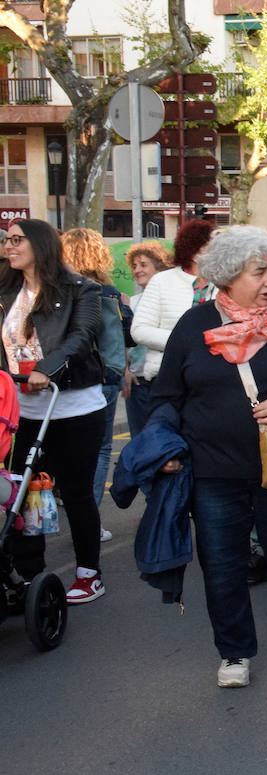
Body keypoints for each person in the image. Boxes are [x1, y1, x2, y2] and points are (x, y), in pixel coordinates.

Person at [149, 225, 267, 688]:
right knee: (222, 563)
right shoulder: (194, 325)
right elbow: (167, 395)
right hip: (212, 471)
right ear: (227, 276)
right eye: (258, 272)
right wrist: (163, 447)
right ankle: (234, 652)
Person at [1, 219, 107, 603]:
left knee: (75, 492)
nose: (9, 246)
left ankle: (88, 573)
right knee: (20, 489)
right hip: (19, 408)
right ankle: (30, 576)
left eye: (17, 240)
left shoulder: (82, 289)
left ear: (40, 245)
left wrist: (47, 369)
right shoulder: (6, 287)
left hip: (74, 406)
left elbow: (81, 337)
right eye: (6, 240)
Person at [61, 228, 131, 538]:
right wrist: (119, 372)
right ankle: (90, 521)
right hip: (102, 377)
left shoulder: (57, 290)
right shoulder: (106, 293)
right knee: (100, 449)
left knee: (64, 449)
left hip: (64, 378)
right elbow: (117, 341)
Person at [131, 218, 216, 416]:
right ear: (195, 250)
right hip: (165, 377)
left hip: (211, 378)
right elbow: (140, 330)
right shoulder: (162, 281)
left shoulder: (225, 282)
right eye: (211, 247)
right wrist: (187, 342)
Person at [123, 241, 171, 438]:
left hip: (161, 377)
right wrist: (125, 370)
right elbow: (123, 341)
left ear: (159, 267)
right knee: (140, 438)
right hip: (136, 379)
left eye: (143, 264)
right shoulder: (132, 301)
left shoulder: (169, 297)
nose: (137, 270)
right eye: (134, 266)